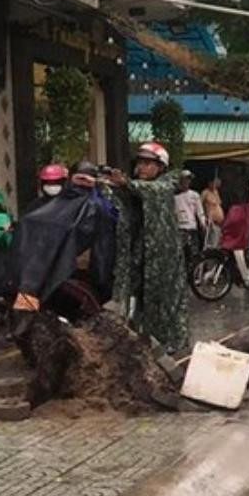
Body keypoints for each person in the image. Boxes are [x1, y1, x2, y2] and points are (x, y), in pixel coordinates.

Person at [107, 142, 189, 352]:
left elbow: (155, 190)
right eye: (140, 163)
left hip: (164, 265)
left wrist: (127, 184)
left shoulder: (166, 183)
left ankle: (173, 352)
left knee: (167, 312)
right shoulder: (135, 188)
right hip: (138, 261)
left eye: (148, 163)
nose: (142, 168)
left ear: (160, 167)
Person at [12, 161, 116, 320]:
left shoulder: (97, 207)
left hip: (72, 271)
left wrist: (101, 279)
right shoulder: (45, 206)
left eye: (87, 180)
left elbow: (100, 247)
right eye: (79, 179)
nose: (82, 184)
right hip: (39, 272)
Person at [174, 170, 207, 267]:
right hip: (180, 228)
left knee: (193, 254)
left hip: (192, 227)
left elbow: (200, 211)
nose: (187, 182)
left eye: (189, 180)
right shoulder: (175, 197)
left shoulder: (194, 195)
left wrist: (203, 223)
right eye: (185, 180)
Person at [200, 175, 225, 248]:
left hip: (219, 223)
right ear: (210, 182)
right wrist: (204, 218)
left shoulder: (216, 192)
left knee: (217, 243)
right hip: (211, 221)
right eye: (215, 181)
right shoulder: (205, 192)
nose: (217, 183)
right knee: (211, 243)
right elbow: (200, 206)